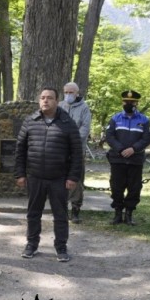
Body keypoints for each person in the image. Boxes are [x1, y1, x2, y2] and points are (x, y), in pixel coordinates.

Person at [15, 87, 82, 262]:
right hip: (35, 176)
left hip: (59, 178)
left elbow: (76, 153)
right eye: (42, 98)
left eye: (50, 98)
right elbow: (20, 149)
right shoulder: (31, 121)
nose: (45, 101)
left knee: (60, 215)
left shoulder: (68, 123)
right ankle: (31, 245)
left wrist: (72, 177)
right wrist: (20, 174)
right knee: (33, 213)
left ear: (56, 101)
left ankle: (61, 247)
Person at [105, 90, 150, 226]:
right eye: (126, 101)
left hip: (135, 160)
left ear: (137, 103)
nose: (129, 104)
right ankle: (118, 213)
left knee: (134, 188)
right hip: (117, 159)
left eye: (132, 102)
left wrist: (133, 149)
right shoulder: (115, 119)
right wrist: (120, 149)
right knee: (116, 187)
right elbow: (110, 136)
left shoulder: (144, 120)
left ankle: (129, 214)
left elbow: (147, 138)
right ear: (122, 102)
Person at [59, 82, 92, 224]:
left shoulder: (84, 108)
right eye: (66, 92)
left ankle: (75, 210)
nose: (68, 95)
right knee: (60, 180)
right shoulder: (60, 106)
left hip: (77, 150)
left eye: (71, 92)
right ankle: (62, 210)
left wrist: (73, 140)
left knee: (76, 181)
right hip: (60, 150)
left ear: (77, 93)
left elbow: (85, 128)